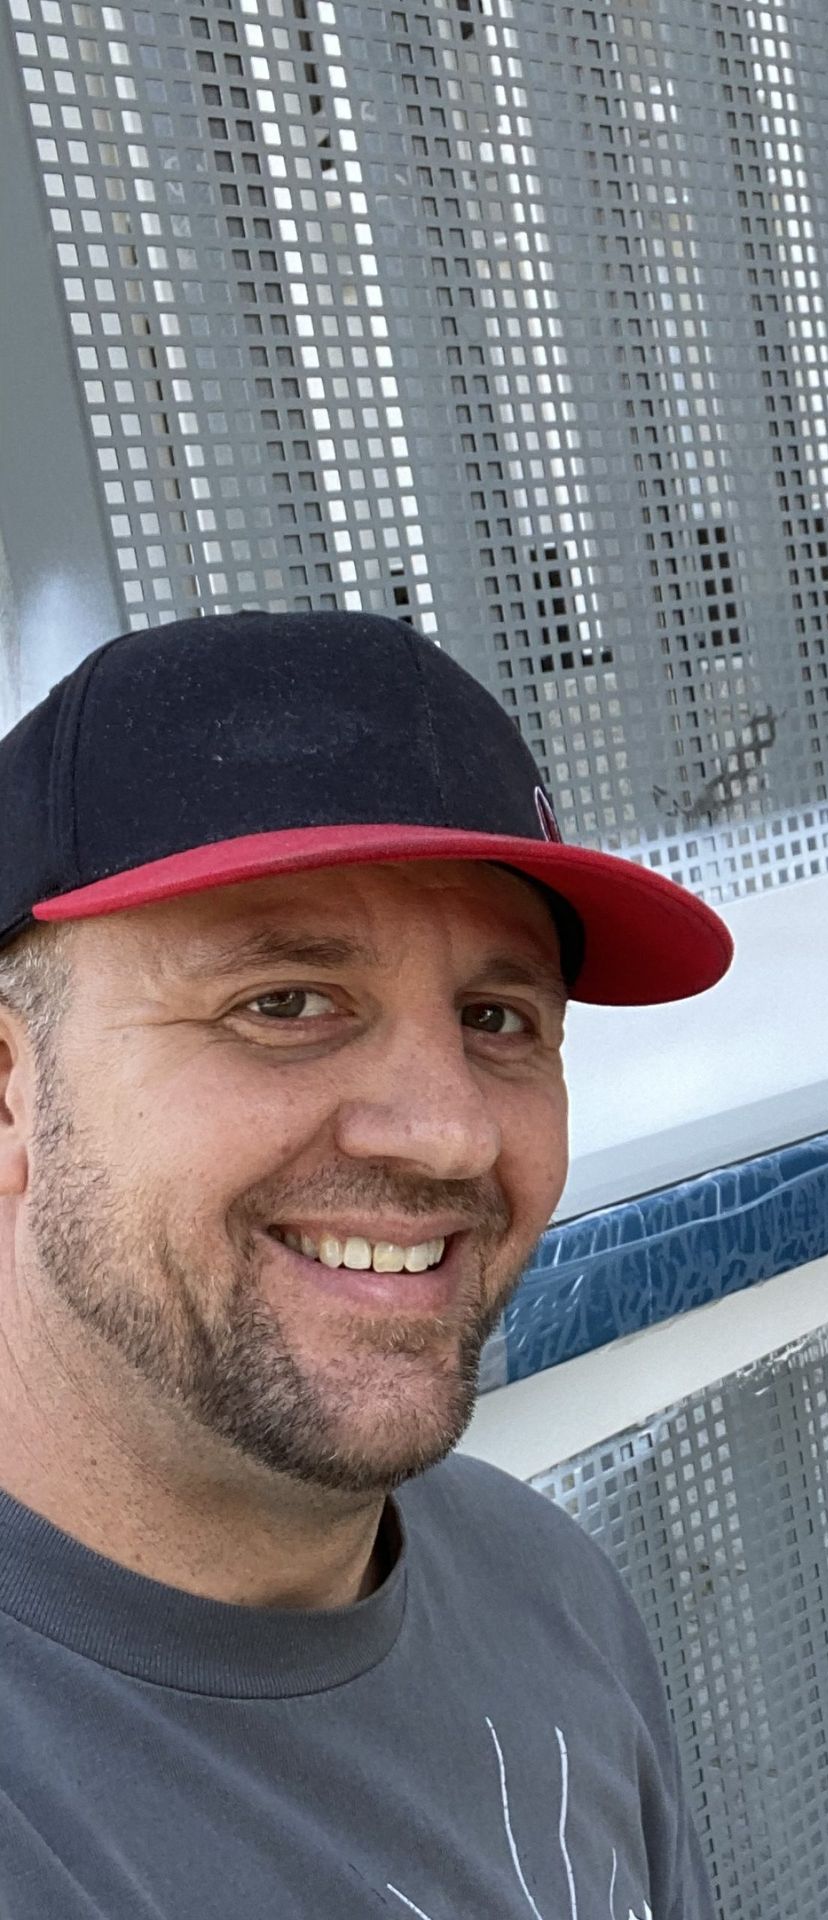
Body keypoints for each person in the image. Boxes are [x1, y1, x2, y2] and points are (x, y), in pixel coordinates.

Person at [0, 610, 732, 1915]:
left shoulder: (546, 1590)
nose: (448, 1131)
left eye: (498, 1020)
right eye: (283, 1003)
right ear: (10, 1094)